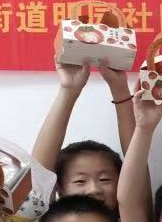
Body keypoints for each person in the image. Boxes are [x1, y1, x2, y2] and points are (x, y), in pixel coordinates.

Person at [30, 59, 134, 209]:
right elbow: (39, 174)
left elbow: (136, 169)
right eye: (80, 181)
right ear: (60, 188)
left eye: (104, 179)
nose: (94, 190)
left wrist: (120, 90)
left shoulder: (133, 221)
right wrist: (68, 90)